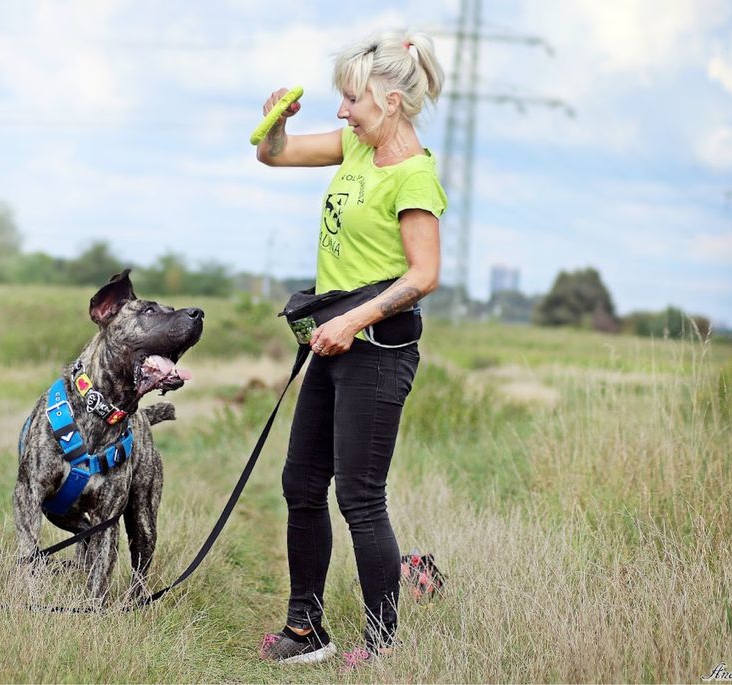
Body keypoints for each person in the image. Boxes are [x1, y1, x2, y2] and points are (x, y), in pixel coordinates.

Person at [254, 29, 447, 667]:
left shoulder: (414, 176)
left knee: (359, 496)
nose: (343, 111)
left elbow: (423, 275)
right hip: (333, 343)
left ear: (391, 102)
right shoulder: (354, 149)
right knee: (300, 482)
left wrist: (351, 321)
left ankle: (382, 645)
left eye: (353, 100)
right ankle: (306, 631)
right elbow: (273, 157)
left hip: (378, 351)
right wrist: (275, 124)